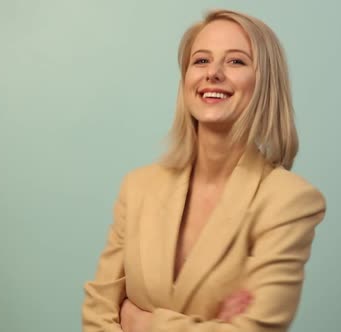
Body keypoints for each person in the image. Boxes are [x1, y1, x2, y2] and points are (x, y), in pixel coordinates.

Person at [82, 9, 326, 332]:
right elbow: (98, 312)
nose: (213, 73)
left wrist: (142, 322)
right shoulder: (137, 187)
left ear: (265, 82)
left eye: (236, 61)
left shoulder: (290, 202)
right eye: (201, 61)